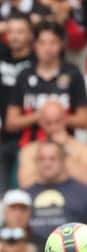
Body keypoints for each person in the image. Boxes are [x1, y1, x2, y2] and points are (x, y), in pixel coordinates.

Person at [5, 20, 87, 148]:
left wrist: (56, 117)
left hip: (64, 149)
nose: (48, 48)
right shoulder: (24, 75)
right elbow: (11, 123)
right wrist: (39, 116)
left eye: (53, 42)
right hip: (29, 148)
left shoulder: (73, 74)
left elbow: (84, 120)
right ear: (34, 45)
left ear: (61, 44)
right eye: (42, 43)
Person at [18, 100, 87, 188]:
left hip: (73, 199)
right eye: (48, 122)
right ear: (40, 122)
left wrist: (63, 150)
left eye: (58, 121)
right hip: (40, 198)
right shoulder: (29, 150)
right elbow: (25, 185)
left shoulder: (83, 149)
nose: (53, 127)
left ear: (65, 119)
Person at [0, 12, 34, 194]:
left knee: (24, 194)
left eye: (20, 31)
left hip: (29, 139)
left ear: (30, 34)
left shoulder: (38, 61)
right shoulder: (2, 54)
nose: (15, 36)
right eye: (11, 31)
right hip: (2, 138)